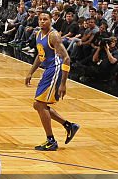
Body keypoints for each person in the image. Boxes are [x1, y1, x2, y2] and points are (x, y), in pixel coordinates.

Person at [25, 12, 79, 151]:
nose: (42, 21)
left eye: (45, 19)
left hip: (56, 69)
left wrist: (63, 83)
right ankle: (68, 125)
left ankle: (51, 141)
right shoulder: (38, 34)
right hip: (48, 70)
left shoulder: (54, 35)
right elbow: (40, 54)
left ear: (51, 21)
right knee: (38, 105)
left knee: (39, 104)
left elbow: (66, 58)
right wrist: (31, 72)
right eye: (40, 19)